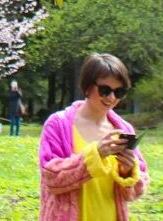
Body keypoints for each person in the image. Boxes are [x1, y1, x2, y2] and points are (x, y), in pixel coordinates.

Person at [38, 53, 148, 220]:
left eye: (119, 92)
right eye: (105, 90)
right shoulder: (58, 124)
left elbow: (137, 188)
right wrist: (95, 155)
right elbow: (51, 178)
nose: (111, 98)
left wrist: (127, 172)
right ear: (87, 86)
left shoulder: (124, 130)